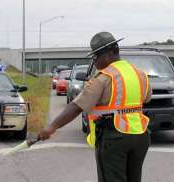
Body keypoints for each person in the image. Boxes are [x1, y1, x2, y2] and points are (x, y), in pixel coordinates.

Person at [37, 32, 152, 182]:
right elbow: (147, 98)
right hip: (140, 137)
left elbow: (77, 106)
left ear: (110, 54)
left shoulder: (104, 76)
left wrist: (52, 127)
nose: (94, 60)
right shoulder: (139, 74)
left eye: (96, 56)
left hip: (114, 138)